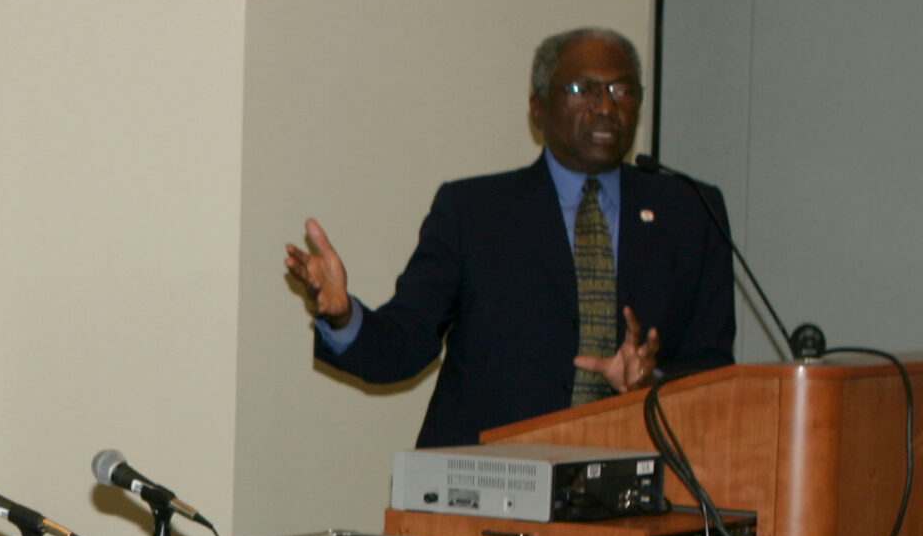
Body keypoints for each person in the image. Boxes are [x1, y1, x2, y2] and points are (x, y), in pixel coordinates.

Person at [285, 27, 737, 448]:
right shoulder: (473, 211)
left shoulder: (692, 211)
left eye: (621, 90)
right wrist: (343, 316)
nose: (605, 106)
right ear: (537, 108)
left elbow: (713, 367)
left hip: (631, 477)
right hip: (489, 481)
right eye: (582, 90)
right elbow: (404, 345)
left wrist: (651, 379)